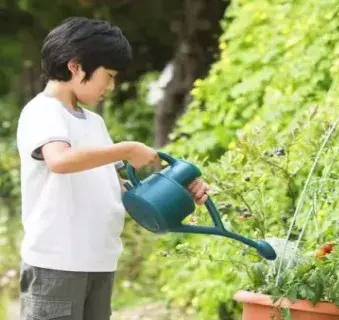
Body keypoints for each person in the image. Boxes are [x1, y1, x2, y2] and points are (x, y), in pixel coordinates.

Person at [16, 17, 209, 320]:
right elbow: (60, 160)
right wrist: (127, 149)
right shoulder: (42, 111)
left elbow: (118, 190)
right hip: (57, 265)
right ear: (76, 66)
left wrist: (177, 192)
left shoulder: (95, 123)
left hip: (99, 262)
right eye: (108, 74)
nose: (112, 85)